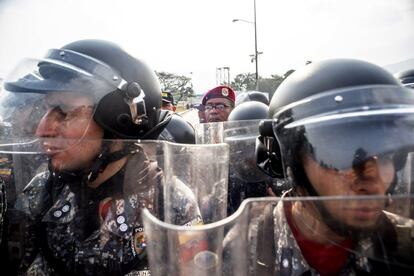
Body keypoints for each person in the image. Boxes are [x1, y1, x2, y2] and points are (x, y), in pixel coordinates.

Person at [1, 39, 202, 275]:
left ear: (119, 119)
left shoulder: (171, 202)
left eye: (64, 111)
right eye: (45, 111)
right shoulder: (41, 191)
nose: (42, 129)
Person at [254, 58, 414, 275]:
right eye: (343, 156)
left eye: (386, 155)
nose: (373, 183)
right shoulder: (243, 250)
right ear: (289, 161)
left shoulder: (405, 243)